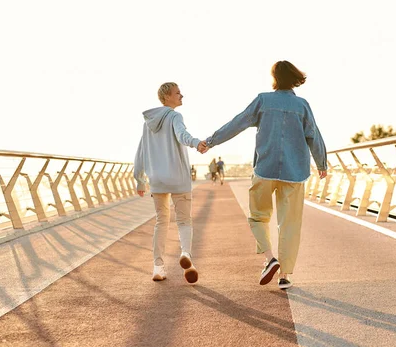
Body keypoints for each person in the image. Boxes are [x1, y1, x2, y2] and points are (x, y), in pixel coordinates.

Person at [204, 61, 327, 290]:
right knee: (289, 224)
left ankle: (270, 258)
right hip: (294, 171)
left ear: (275, 78)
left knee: (258, 216)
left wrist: (211, 141)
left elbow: (237, 123)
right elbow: (314, 136)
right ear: (294, 78)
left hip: (265, 169)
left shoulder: (263, 100)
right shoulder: (302, 105)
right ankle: (285, 275)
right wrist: (322, 164)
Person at [134, 82, 207, 283]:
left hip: (156, 179)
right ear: (167, 97)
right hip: (177, 178)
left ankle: (158, 267)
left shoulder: (147, 123)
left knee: (161, 221)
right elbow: (182, 135)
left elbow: (141, 150)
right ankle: (185, 255)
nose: (181, 95)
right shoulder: (175, 116)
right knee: (184, 220)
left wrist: (139, 179)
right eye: (177, 93)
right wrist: (196, 143)